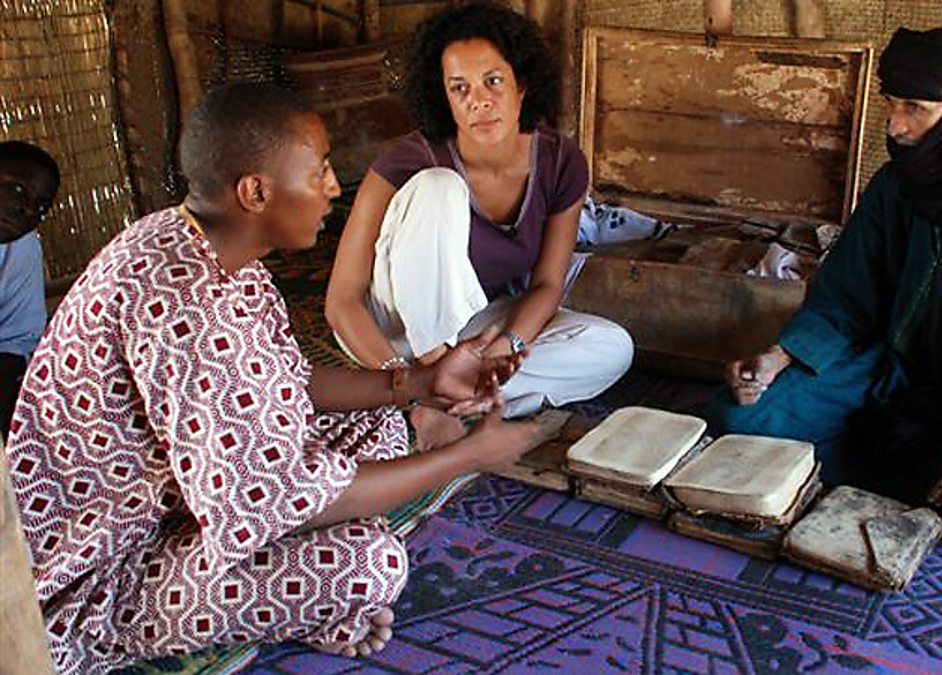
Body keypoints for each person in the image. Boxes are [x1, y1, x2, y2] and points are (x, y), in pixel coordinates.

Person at [4, 83, 543, 674]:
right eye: (320, 172)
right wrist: (467, 456)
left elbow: (287, 378)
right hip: (101, 568)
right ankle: (192, 616)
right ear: (256, 191)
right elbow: (274, 500)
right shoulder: (185, 300)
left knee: (380, 423)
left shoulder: (209, 246)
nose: (335, 189)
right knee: (369, 564)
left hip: (185, 494)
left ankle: (302, 591)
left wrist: (420, 382)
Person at [710, 28, 942, 555]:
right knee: (737, 418)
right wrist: (780, 355)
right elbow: (845, 300)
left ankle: (907, 466)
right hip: (885, 375)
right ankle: (910, 472)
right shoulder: (896, 185)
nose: (895, 125)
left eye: (915, 107)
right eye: (892, 104)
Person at [325, 1, 633, 418]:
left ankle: (468, 394)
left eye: (493, 81)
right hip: (390, 335)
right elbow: (342, 303)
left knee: (611, 347)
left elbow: (546, 285)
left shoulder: (562, 163)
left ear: (521, 85)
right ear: (444, 98)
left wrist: (506, 350)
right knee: (439, 187)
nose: (479, 101)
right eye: (460, 88)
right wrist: (402, 379)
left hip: (474, 324)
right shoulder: (407, 162)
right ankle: (431, 391)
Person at [0, 140, 58, 438]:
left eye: (41, 206)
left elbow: (18, 340)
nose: (28, 210)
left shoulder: (20, 248)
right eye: (18, 190)